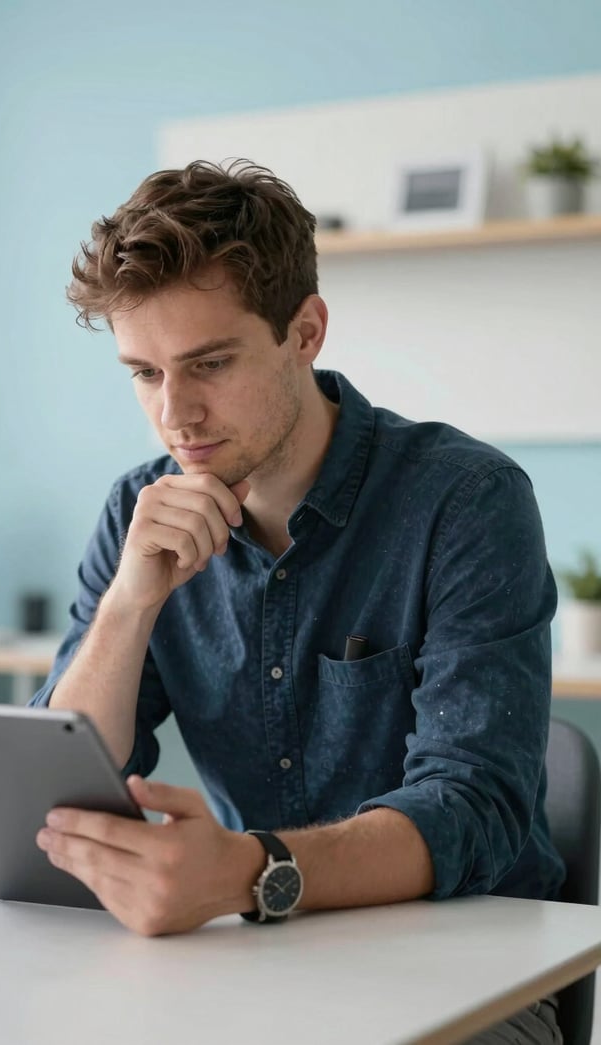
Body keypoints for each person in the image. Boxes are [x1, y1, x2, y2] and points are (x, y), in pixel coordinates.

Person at [30, 160, 562, 1041]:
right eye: (144, 373)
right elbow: (60, 785)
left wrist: (245, 870)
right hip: (249, 961)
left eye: (209, 363)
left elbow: (475, 807)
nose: (176, 414)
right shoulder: (139, 509)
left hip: (471, 971)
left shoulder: (467, 501)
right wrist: (129, 603)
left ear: (305, 331)